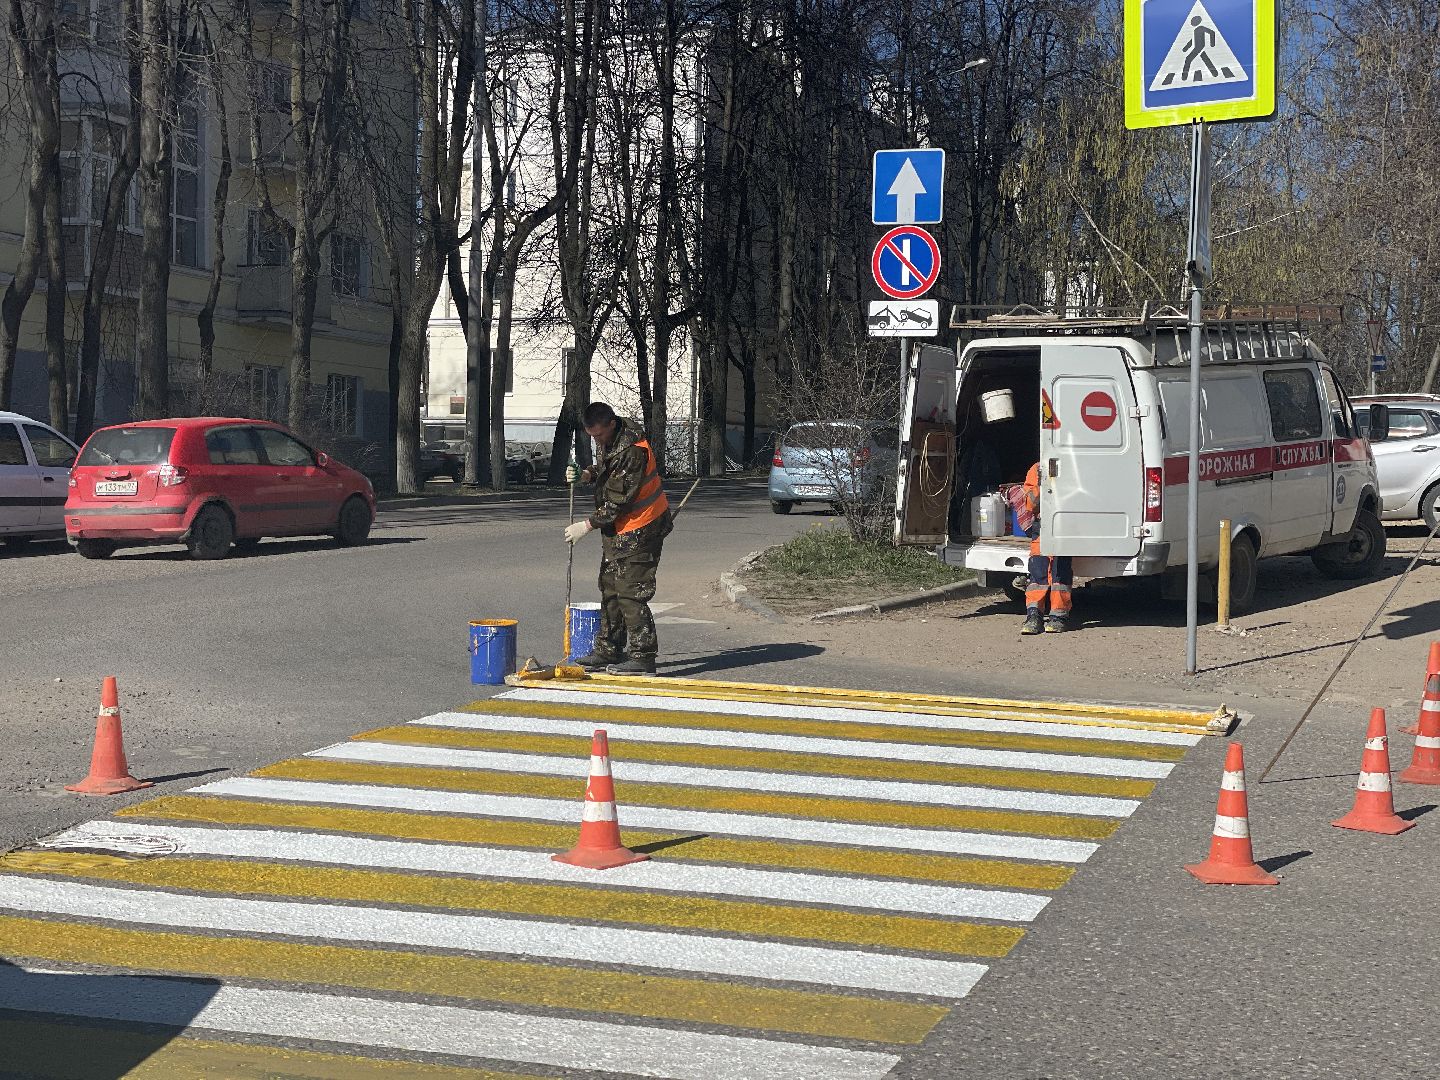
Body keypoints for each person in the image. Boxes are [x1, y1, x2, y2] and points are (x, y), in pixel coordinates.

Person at [563, 402, 672, 675]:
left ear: (611, 424)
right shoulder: (612, 439)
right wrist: (586, 474)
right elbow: (606, 469)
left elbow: (617, 503)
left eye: (598, 436)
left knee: (631, 593)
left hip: (642, 528)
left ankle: (643, 657)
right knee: (610, 588)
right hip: (621, 530)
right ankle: (608, 649)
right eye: (592, 437)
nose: (596, 440)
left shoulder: (633, 451)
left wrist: (586, 526)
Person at [1018, 461, 1072, 635]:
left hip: (1065, 525)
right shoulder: (1037, 469)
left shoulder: (1073, 465)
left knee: (1060, 572)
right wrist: (1043, 483)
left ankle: (1058, 616)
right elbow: (1031, 504)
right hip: (1042, 526)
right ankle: (1034, 615)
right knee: (1038, 572)